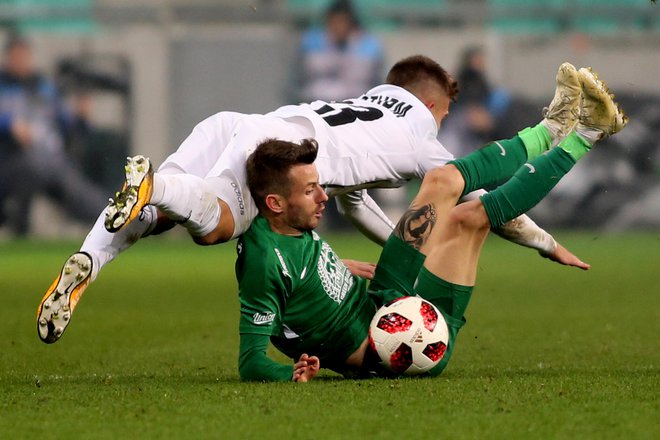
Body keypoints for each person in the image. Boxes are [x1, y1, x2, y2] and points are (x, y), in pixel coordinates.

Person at [37, 55, 586, 344]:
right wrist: (545, 242)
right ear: (432, 105)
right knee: (216, 225)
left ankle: (94, 256)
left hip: (239, 123)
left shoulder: (363, 107)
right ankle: (154, 185)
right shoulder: (421, 138)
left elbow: (355, 204)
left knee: (157, 217)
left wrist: (399, 251)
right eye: (442, 114)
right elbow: (483, 203)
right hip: (273, 151)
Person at [236, 64, 627, 381]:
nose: (325, 196)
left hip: (384, 294)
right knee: (471, 217)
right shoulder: (262, 261)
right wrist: (292, 371)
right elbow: (252, 360)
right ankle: (585, 132)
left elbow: (306, 265)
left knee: (444, 185)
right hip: (390, 344)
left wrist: (334, 266)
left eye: (319, 186)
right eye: (310, 192)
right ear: (274, 203)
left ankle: (562, 128)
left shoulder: (286, 227)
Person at [0, 34, 106, 236]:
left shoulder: (44, 87)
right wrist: (8, 126)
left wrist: (81, 119)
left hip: (52, 160)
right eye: (16, 56)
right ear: (8, 58)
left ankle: (127, 222)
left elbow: (68, 127)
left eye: (24, 56)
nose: (21, 61)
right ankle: (20, 228)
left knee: (89, 199)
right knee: (31, 166)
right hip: (12, 160)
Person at [287, 0, 384, 104]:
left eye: (343, 21)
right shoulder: (310, 41)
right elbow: (296, 81)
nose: (338, 26)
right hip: (316, 103)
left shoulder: (369, 44)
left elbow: (376, 82)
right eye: (335, 21)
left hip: (353, 107)